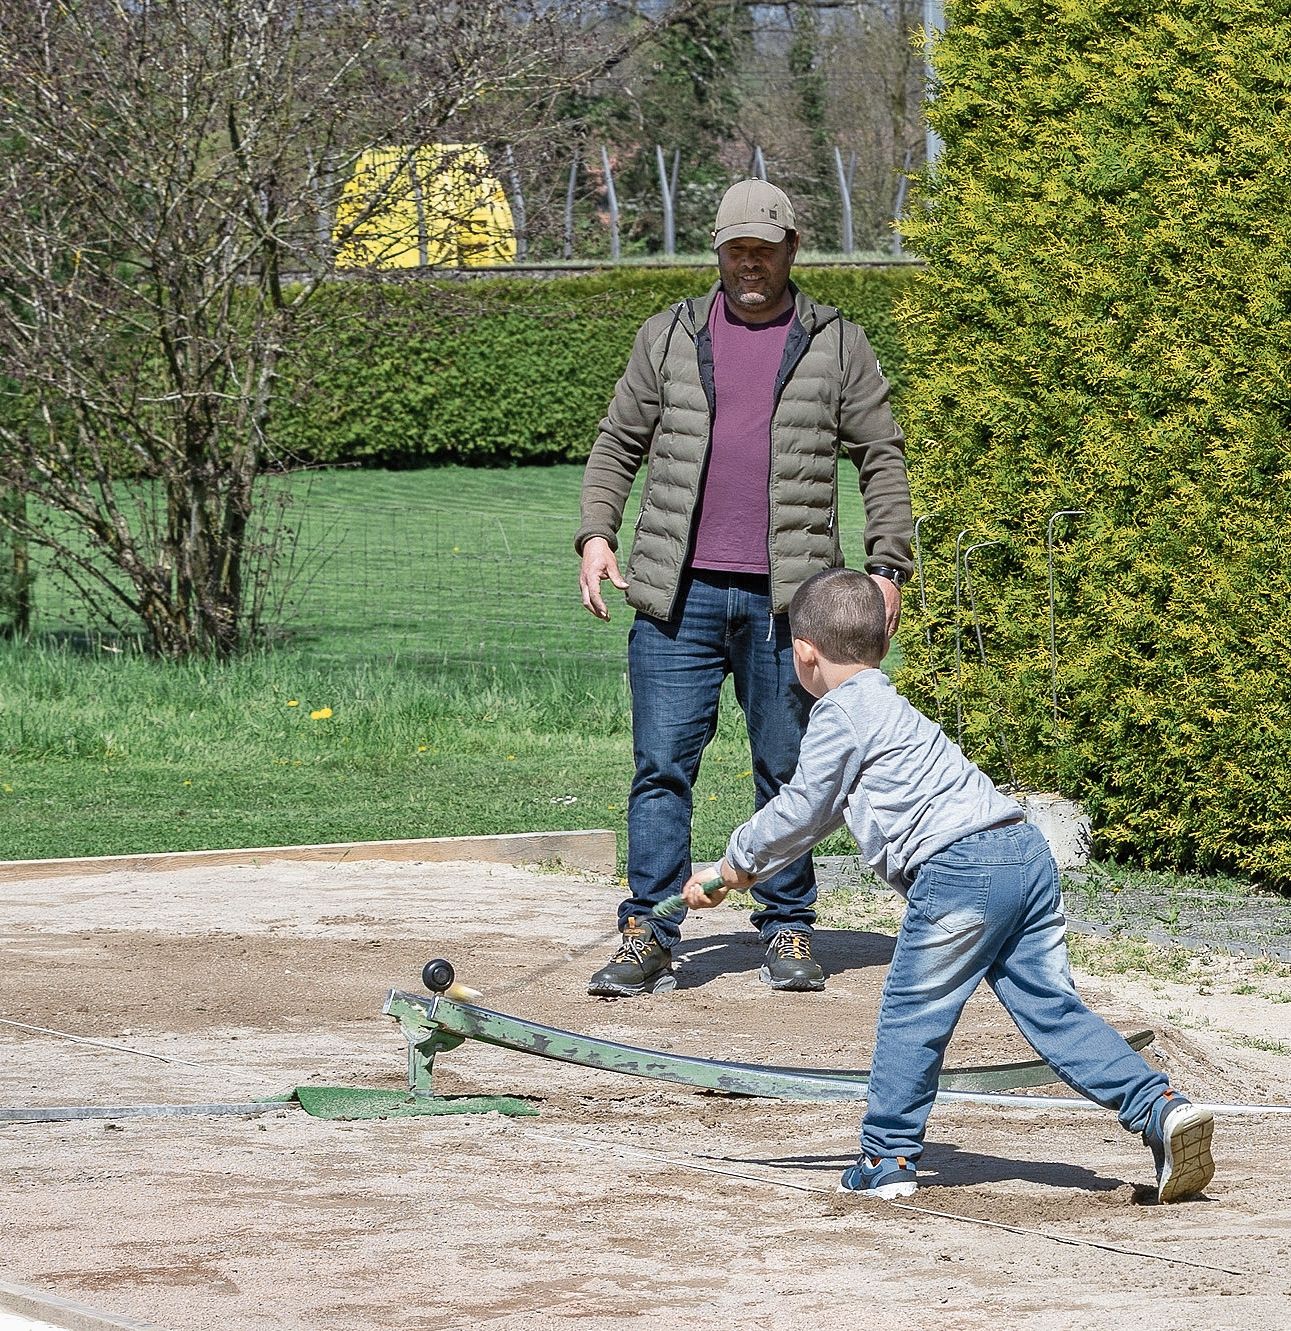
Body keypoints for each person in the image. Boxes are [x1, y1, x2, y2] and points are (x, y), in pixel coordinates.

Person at [681, 567, 1216, 1203]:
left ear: (804, 652)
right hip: (1023, 851)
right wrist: (745, 870)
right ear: (884, 637)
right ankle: (1158, 1106)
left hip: (962, 870)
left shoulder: (841, 714)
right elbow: (821, 812)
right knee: (1050, 1007)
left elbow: (801, 807)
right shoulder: (888, 706)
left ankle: (886, 1156)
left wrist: (731, 867)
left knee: (914, 1012)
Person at [577, 179, 913, 999]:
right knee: (660, 768)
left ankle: (788, 925)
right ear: (719, 254)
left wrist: (886, 564)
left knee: (790, 769)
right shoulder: (667, 335)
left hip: (789, 606)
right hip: (674, 600)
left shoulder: (836, 342)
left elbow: (881, 453)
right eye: (736, 250)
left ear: (792, 248)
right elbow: (618, 440)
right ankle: (647, 931)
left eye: (764, 248)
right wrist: (594, 534)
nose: (749, 263)